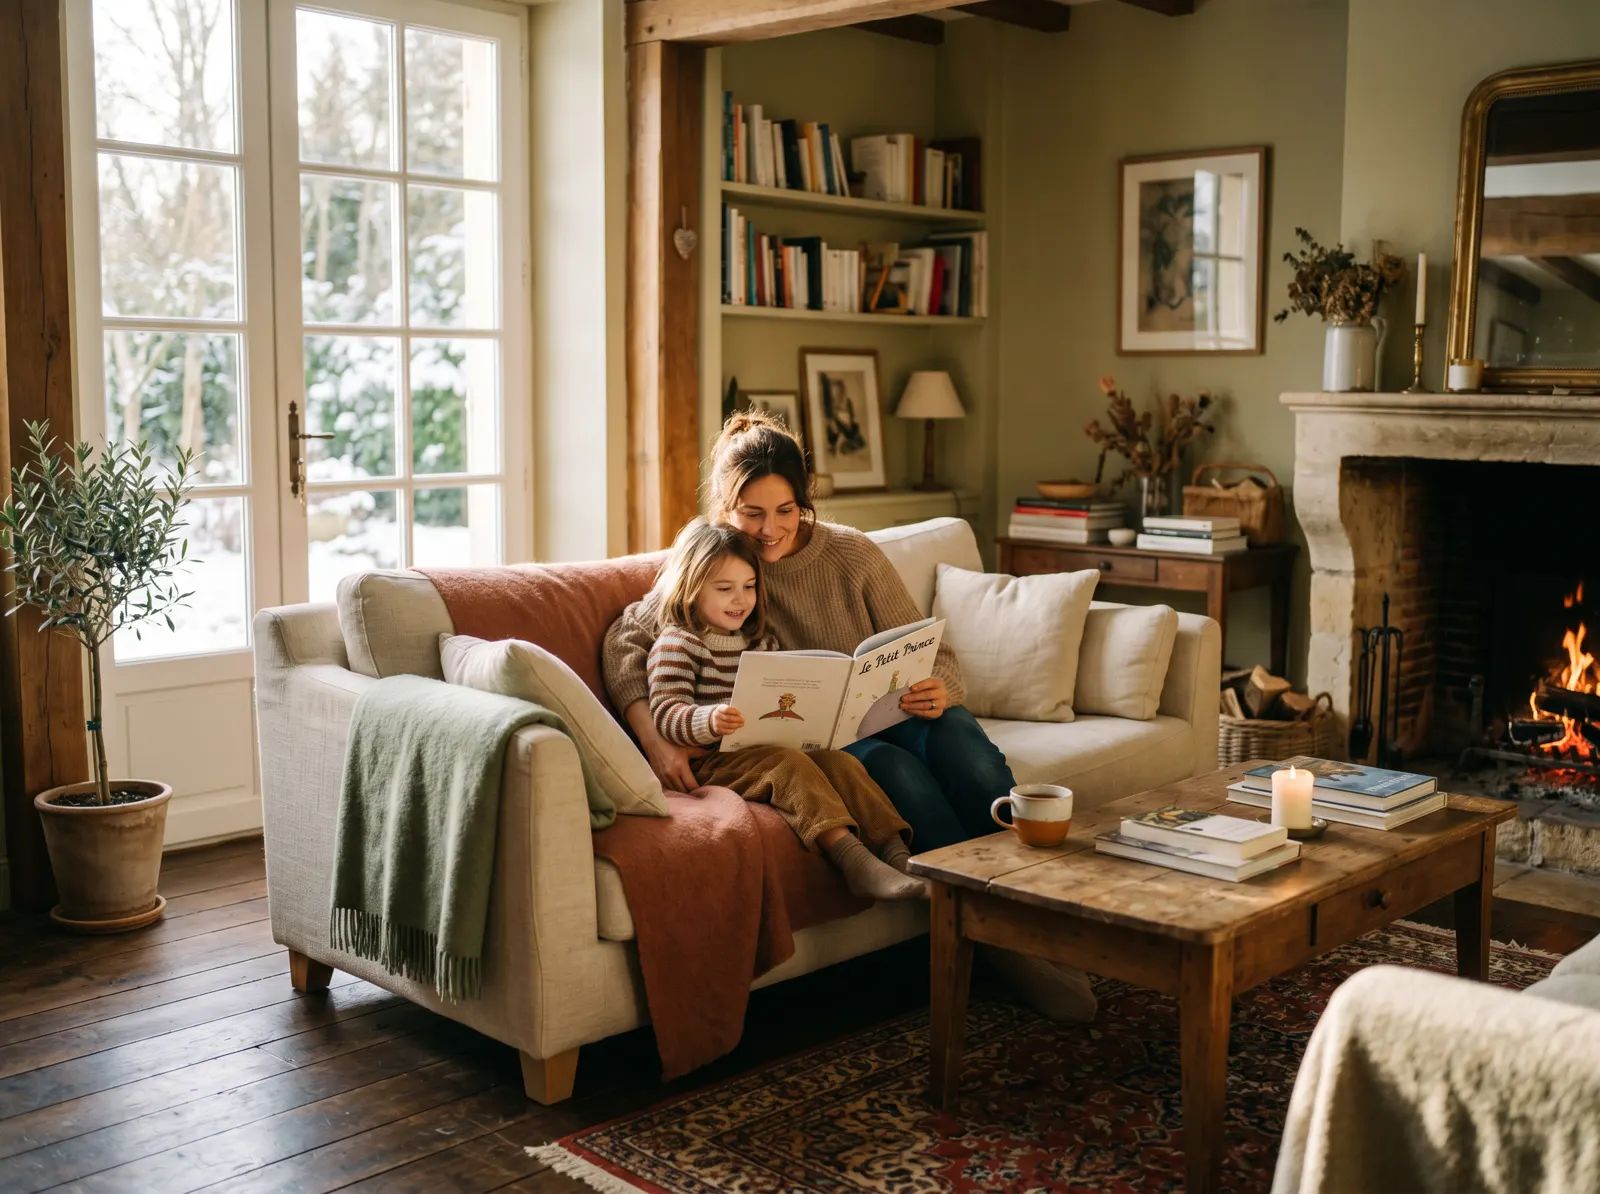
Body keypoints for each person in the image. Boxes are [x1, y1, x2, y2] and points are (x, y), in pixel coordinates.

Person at [605, 412, 1096, 1024]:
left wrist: (936, 690)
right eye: (751, 514)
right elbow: (625, 639)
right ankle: (1001, 945)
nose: (769, 530)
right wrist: (656, 738)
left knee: (962, 746)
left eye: (785, 510)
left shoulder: (852, 555)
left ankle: (1041, 912)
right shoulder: (716, 562)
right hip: (831, 741)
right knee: (897, 773)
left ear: (803, 501)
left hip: (898, 710)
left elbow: (938, 656)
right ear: (725, 509)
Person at [644, 518, 925, 903]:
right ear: (691, 589)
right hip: (714, 759)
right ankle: (853, 860)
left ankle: (896, 855)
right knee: (789, 767)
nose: (740, 600)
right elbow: (666, 710)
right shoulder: (679, 642)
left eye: (749, 587)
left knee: (840, 762)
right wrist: (708, 720)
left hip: (767, 746)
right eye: (725, 589)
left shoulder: (760, 640)